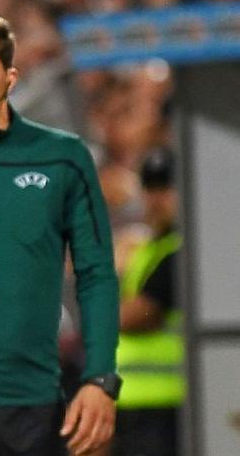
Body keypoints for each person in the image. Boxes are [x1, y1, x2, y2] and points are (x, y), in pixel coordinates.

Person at [0, 11, 120, 456]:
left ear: (10, 77)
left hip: (37, 402)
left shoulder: (63, 157)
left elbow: (95, 273)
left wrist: (100, 378)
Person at [114, 146, 183, 456]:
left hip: (165, 402)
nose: (156, 199)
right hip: (133, 402)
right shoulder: (148, 249)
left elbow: (137, 315)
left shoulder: (179, 252)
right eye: (150, 188)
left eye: (165, 188)